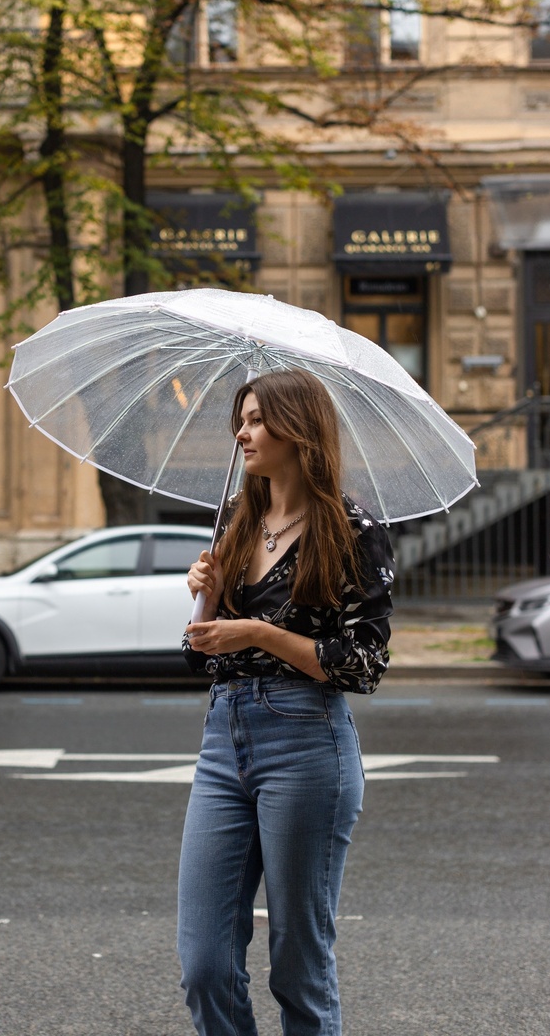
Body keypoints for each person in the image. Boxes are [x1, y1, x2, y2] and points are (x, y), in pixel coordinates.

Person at [177, 367, 394, 1036]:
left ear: (296, 426)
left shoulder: (349, 527)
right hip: (223, 737)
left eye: (253, 419)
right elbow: (197, 658)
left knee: (297, 962)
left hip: (306, 742)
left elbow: (362, 664)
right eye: (237, 420)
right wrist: (206, 596)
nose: (240, 433)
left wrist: (258, 632)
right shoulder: (238, 522)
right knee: (204, 963)